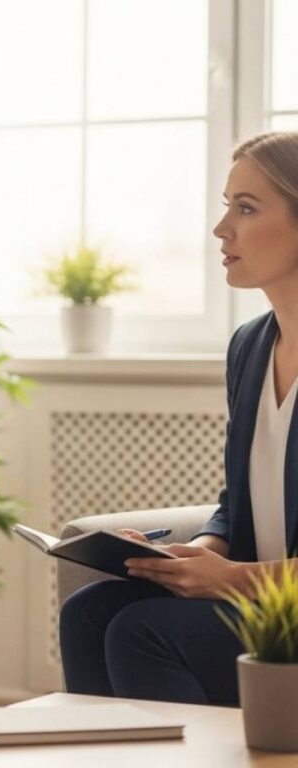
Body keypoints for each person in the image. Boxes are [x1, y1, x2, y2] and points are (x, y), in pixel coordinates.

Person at [59, 130, 298, 706]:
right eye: (226, 207)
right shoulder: (250, 346)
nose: (222, 230)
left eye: (245, 208)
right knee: (89, 613)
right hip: (262, 601)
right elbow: (235, 504)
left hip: (281, 606)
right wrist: (196, 554)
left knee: (144, 634)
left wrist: (235, 580)